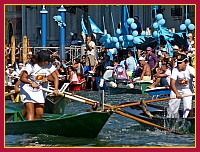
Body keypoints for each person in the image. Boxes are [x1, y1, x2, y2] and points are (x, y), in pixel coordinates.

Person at [20, 50, 59, 120]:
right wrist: (31, 83)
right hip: (27, 89)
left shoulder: (49, 65)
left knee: (40, 114)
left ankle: (27, 123)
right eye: (48, 60)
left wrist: (56, 89)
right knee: (30, 112)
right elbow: (22, 78)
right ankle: (27, 125)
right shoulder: (31, 66)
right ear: (43, 61)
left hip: (38, 90)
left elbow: (55, 77)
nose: (50, 62)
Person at [167, 53, 195, 118]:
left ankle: (186, 119)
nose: (178, 65)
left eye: (180, 63)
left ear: (186, 62)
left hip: (187, 89)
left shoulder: (190, 69)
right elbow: (172, 83)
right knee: (172, 108)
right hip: (176, 89)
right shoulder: (175, 69)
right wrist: (177, 93)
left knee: (187, 107)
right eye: (178, 63)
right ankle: (171, 119)